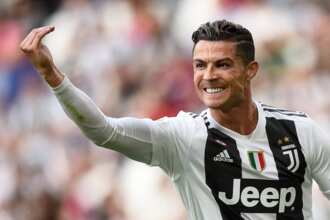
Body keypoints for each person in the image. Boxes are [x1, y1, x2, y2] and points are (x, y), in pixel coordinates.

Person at [20, 20, 330, 220]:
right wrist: (52, 76)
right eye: (200, 65)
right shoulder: (183, 137)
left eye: (222, 64)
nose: (208, 76)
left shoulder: (300, 131)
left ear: (251, 70)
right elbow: (104, 131)